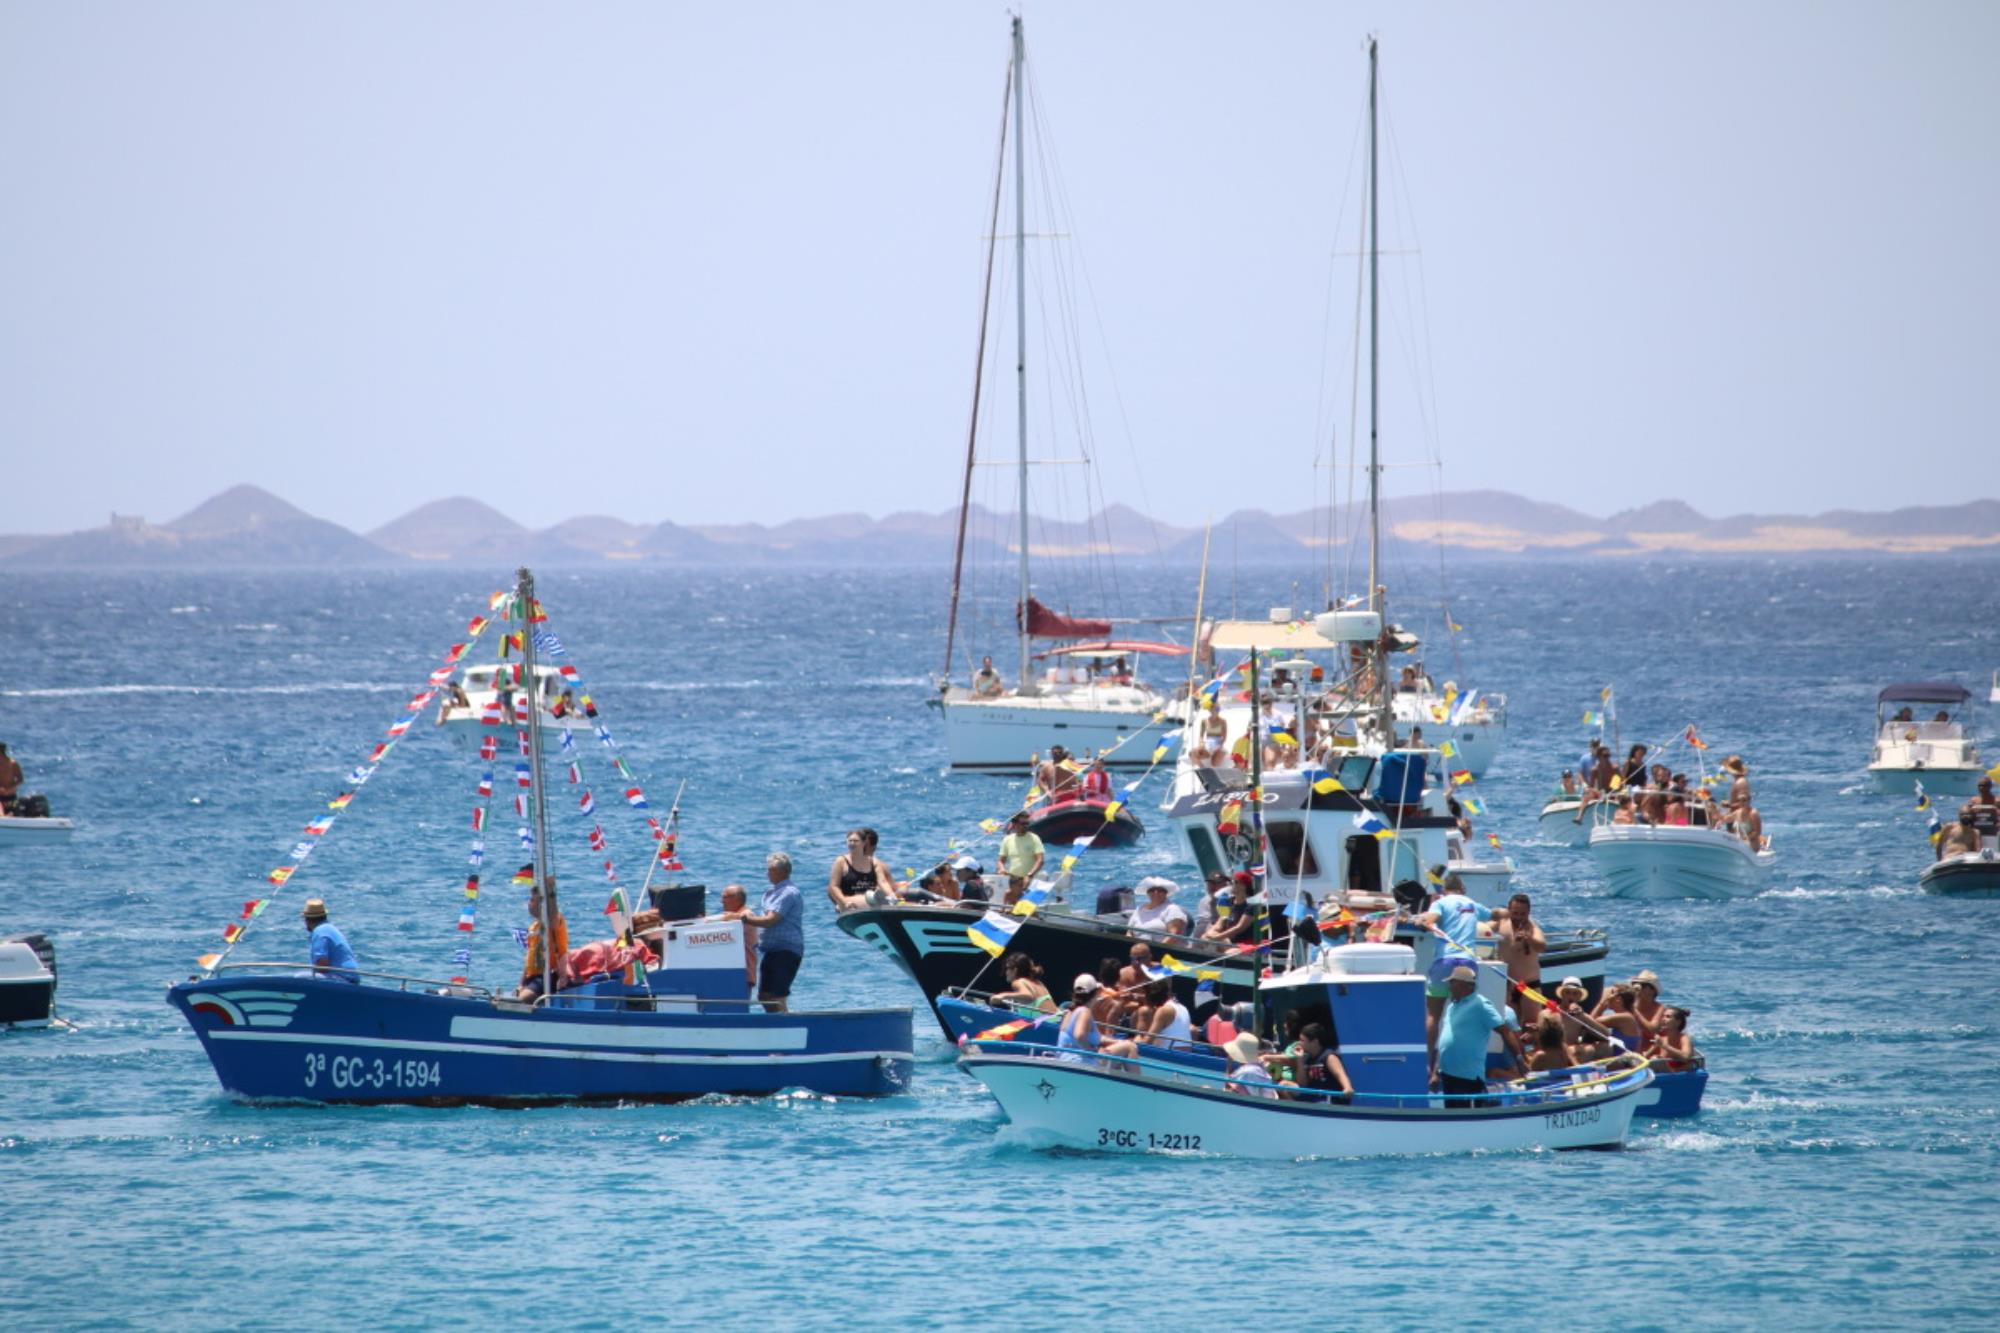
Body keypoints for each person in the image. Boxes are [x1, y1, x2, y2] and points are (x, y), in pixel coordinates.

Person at [1433, 965, 1524, 1104]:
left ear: (1462, 984)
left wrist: (1519, 1059)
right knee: (1453, 1119)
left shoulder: (1481, 1004)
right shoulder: (1452, 1006)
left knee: (1465, 1119)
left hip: (1467, 1077)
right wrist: (1435, 1071)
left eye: (1452, 982)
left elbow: (1505, 1031)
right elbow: (1444, 1039)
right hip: (1447, 1074)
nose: (1449, 986)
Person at [733, 852, 804, 1013]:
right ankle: (777, 1024)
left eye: (770, 870)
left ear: (782, 872)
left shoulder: (789, 892)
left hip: (786, 950)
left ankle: (786, 1027)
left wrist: (745, 919)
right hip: (771, 950)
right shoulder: (771, 893)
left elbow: (771, 919)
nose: (767, 873)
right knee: (764, 995)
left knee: (777, 996)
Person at [1493, 893, 1546, 1026]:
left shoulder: (1533, 928)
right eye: (1515, 913)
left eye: (1523, 914)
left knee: (1531, 1026)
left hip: (1529, 985)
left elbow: (1542, 946)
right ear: (1509, 910)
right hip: (1507, 984)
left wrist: (1529, 938)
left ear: (1528, 913)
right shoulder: (1501, 924)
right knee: (1509, 1025)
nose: (1519, 917)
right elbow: (1481, 928)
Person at [518, 881, 570, 999]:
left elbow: (553, 915)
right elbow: (528, 959)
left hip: (548, 975)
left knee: (524, 998)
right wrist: (521, 983)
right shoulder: (533, 927)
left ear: (541, 904)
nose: (528, 904)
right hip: (532, 977)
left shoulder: (555, 922)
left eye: (532, 900)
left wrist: (550, 891)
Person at [827, 827, 895, 912]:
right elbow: (833, 887)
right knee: (868, 899)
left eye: (855, 841)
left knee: (880, 896)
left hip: (871, 901)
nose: (852, 843)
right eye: (849, 841)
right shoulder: (841, 861)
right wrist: (843, 902)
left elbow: (883, 882)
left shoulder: (874, 862)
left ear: (863, 843)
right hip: (849, 903)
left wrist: (891, 895)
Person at [302, 898, 360, 984]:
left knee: (300, 978)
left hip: (341, 978)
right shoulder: (330, 928)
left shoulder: (319, 932)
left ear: (307, 919)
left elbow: (322, 965)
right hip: (351, 978)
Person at [1293, 1022, 1353, 1102]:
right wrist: (1299, 1060)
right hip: (1313, 1098)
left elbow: (1340, 1074)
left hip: (1329, 1100)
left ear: (1315, 1042)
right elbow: (1303, 1085)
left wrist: (1347, 1088)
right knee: (1285, 1085)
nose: (1299, 1043)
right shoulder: (1308, 1059)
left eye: (1302, 1040)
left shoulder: (1329, 1057)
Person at [998, 811, 1045, 905]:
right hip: (1013, 880)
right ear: (1014, 824)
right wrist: (1002, 869)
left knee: (1022, 908)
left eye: (1027, 823)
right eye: (1023, 823)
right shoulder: (1007, 839)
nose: (1026, 826)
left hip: (1028, 881)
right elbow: (1000, 861)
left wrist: (1029, 875)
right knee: (1010, 901)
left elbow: (1040, 860)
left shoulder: (1034, 838)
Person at [717, 884, 758, 990]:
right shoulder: (735, 916)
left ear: (736, 899)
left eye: (724, 897)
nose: (721, 901)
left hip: (743, 974)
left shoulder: (746, 914)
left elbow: (746, 917)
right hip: (735, 974)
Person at [1134, 979, 1192, 1049]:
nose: (1143, 997)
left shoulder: (1163, 1011)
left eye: (1144, 994)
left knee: (1136, 1040)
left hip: (1168, 1054)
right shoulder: (1183, 1007)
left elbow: (1148, 1041)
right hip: (1185, 1054)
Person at [1222, 1031, 1280, 1099]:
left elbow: (1230, 1095)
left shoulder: (1248, 1072)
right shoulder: (1253, 1067)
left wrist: (1208, 1091)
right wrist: (1229, 1065)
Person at [1959, 778, 2000, 850]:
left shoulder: (1997, 801)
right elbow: (1966, 813)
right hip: (1976, 832)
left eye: (1984, 785)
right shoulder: (1973, 801)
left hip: (1993, 831)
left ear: (1990, 787)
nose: (1981, 788)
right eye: (1979, 786)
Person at [0, 742, 22, 816]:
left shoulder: (13, 764)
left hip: (11, 797)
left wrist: (9, 789)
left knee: (14, 811)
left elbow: (20, 779)